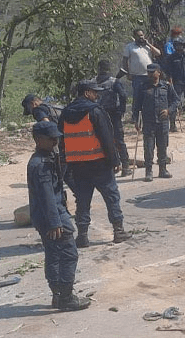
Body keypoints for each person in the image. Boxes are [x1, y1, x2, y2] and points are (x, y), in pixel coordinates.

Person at [26, 121, 91, 311]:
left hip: (47, 214)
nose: (55, 142)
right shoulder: (40, 165)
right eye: (51, 139)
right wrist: (55, 222)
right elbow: (47, 196)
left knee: (54, 254)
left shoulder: (48, 156)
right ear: (38, 140)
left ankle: (58, 295)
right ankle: (66, 297)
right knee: (68, 254)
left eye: (57, 138)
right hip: (52, 215)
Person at [59, 80, 131, 247]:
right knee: (111, 197)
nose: (97, 95)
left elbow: (61, 140)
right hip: (99, 164)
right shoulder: (95, 111)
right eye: (94, 92)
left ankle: (82, 236)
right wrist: (115, 160)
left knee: (83, 201)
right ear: (86, 93)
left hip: (77, 165)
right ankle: (118, 231)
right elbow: (107, 138)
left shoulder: (65, 113)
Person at [132, 64, 178, 182]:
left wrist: (169, 111)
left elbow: (175, 101)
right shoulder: (143, 87)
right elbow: (136, 105)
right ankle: (149, 171)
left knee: (162, 146)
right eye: (149, 72)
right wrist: (136, 120)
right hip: (148, 122)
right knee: (148, 147)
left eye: (153, 72)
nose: (150, 74)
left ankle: (163, 169)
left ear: (159, 72)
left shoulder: (166, 86)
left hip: (162, 122)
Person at [94, 60, 131, 177]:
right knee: (119, 140)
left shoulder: (93, 82)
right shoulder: (114, 81)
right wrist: (121, 110)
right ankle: (125, 166)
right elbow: (123, 95)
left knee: (101, 140)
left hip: (99, 115)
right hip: (113, 114)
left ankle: (110, 166)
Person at [121, 29, 161, 111]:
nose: (141, 37)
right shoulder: (130, 47)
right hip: (137, 76)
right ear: (134, 37)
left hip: (149, 75)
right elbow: (125, 60)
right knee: (137, 96)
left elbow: (158, 53)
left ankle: (149, 113)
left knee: (150, 95)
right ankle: (135, 116)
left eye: (142, 35)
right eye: (139, 36)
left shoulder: (148, 47)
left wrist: (148, 44)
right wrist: (127, 73)